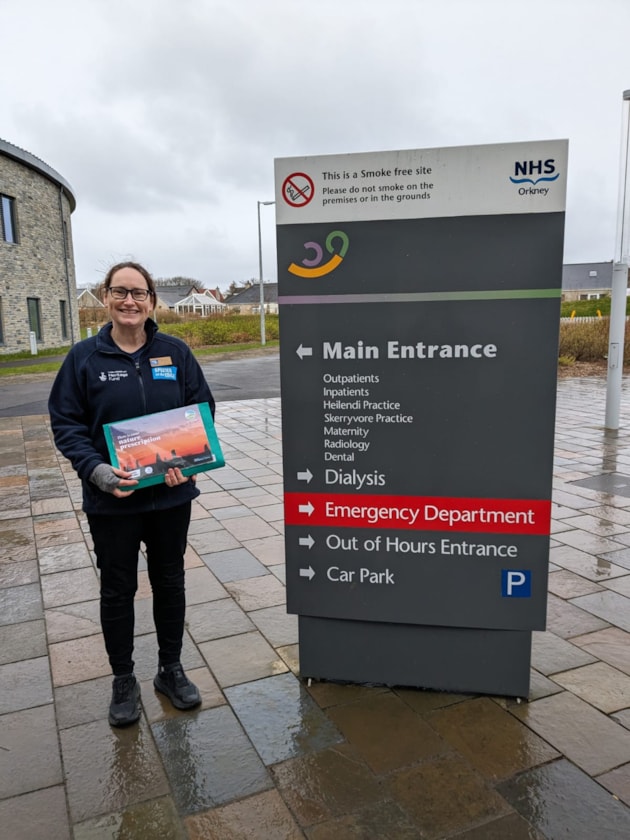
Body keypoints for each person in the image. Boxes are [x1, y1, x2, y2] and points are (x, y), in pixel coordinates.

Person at [48, 261, 215, 727]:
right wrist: (97, 471)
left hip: (169, 497)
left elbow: (201, 410)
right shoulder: (83, 358)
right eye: (120, 291)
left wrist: (186, 460)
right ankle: (123, 677)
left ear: (152, 301)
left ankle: (170, 668)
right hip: (113, 501)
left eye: (139, 293)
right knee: (118, 590)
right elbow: (66, 424)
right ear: (105, 297)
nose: (129, 301)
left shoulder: (175, 353)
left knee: (170, 581)